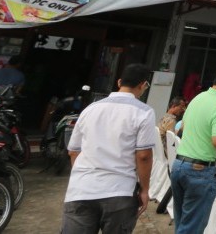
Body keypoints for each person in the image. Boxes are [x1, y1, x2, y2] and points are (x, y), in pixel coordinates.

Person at [61, 63, 155, 234]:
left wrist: (86, 176)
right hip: (120, 191)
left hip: (81, 190)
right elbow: (143, 156)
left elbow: (73, 151)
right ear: (143, 85)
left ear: (119, 82)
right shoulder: (144, 112)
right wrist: (145, 189)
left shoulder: (90, 109)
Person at [171, 66, 216, 234]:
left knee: (182, 223)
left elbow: (182, 127)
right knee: (192, 227)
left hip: (179, 164)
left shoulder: (197, 98)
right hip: (199, 170)